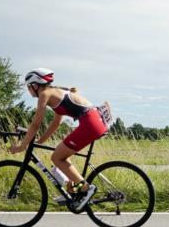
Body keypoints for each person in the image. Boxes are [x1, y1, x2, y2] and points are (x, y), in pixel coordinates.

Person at [11, 68, 107, 211]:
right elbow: (56, 123)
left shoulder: (45, 94)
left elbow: (36, 123)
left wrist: (21, 146)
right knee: (62, 156)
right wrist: (40, 141)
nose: (28, 90)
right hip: (94, 120)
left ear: (35, 85)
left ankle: (86, 188)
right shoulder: (54, 93)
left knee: (57, 157)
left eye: (28, 86)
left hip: (90, 123)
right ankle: (74, 191)